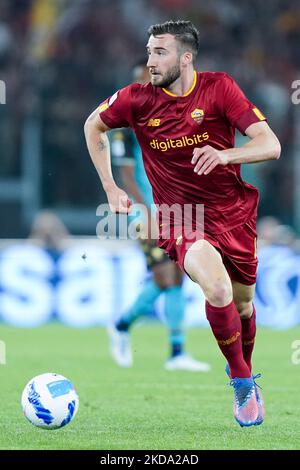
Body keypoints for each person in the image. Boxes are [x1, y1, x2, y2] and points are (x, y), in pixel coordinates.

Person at [84, 20, 281, 427]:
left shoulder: (220, 88)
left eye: (160, 52)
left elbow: (270, 144)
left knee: (243, 304)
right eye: (149, 51)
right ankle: (243, 384)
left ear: (185, 57)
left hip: (233, 214)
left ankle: (239, 366)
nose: (150, 61)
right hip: (180, 217)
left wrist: (226, 155)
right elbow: (93, 125)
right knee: (216, 286)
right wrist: (109, 187)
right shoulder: (136, 99)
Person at [108, 62, 210, 372]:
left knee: (175, 275)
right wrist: (148, 213)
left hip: (173, 208)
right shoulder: (124, 130)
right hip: (143, 211)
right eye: (141, 79)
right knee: (168, 275)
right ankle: (127, 327)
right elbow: (126, 176)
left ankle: (170, 349)